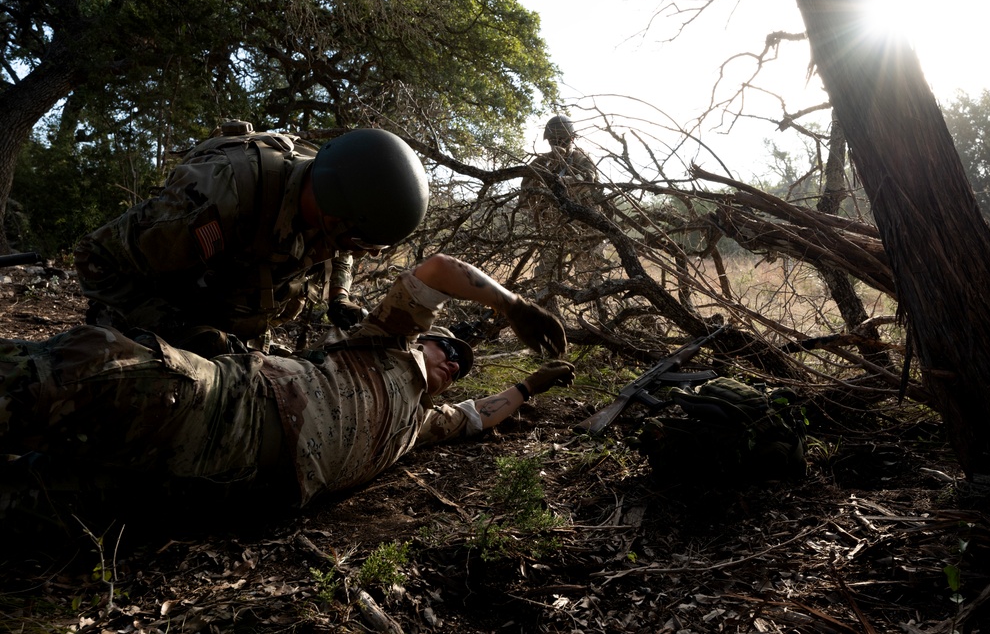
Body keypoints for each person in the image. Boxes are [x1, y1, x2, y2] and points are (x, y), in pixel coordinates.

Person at [0, 254, 575, 510]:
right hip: (231, 408)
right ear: (422, 339)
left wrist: (529, 388)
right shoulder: (385, 344)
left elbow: (481, 415)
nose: (454, 360)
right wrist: (511, 304)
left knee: (39, 495)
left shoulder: (423, 422)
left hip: (226, 493)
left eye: (461, 365)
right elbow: (436, 272)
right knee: (80, 373)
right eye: (447, 346)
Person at [74, 122, 430, 355]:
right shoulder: (220, 198)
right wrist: (177, 329)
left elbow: (342, 248)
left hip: (233, 342)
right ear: (334, 215)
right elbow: (94, 257)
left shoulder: (331, 204)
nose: (359, 254)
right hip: (149, 335)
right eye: (360, 244)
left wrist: (340, 296)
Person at [520, 115, 606, 300]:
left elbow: (590, 183)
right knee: (545, 277)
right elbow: (524, 199)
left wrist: (560, 181)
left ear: (572, 139)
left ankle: (600, 313)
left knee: (591, 277)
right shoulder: (539, 164)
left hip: (584, 228)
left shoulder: (582, 160)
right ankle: (548, 311)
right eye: (554, 140)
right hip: (551, 229)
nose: (558, 143)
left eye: (563, 139)